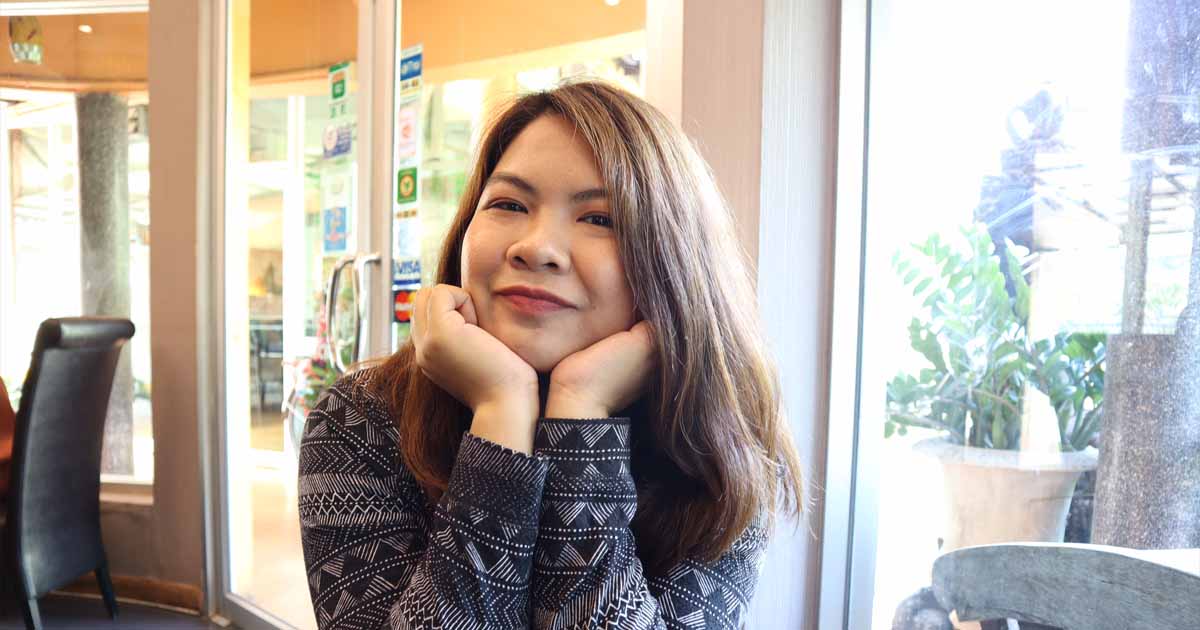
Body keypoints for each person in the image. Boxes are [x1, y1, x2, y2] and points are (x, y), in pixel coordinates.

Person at [298, 80, 804, 629]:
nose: (536, 247)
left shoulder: (720, 445)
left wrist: (580, 413)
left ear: (673, 259)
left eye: (599, 218)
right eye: (509, 204)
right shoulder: (361, 418)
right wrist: (501, 410)